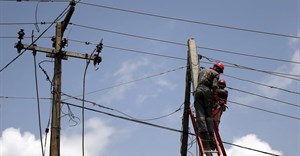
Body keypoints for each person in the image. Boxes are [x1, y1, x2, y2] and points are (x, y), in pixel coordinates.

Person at [194, 62, 224, 149]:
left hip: (198, 90)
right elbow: (214, 86)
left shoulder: (202, 71)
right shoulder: (215, 74)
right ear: (219, 70)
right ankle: (210, 134)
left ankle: (203, 131)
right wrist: (215, 99)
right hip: (206, 91)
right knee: (208, 114)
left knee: (199, 111)